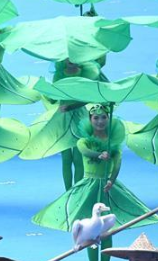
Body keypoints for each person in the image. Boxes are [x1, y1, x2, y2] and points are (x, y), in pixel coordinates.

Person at [33, 105, 158, 261]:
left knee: (107, 231)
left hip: (107, 189)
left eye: (103, 117)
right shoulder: (84, 141)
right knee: (90, 232)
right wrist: (99, 154)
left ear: (109, 119)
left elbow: (117, 162)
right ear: (90, 120)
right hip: (89, 188)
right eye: (96, 118)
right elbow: (83, 150)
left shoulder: (113, 142)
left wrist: (112, 180)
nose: (100, 121)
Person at [22, 58, 101, 191]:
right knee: (66, 158)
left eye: (74, 57)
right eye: (68, 57)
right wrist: (45, 90)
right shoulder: (59, 74)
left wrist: (71, 107)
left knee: (78, 157)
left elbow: (87, 98)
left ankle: (77, 190)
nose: (71, 60)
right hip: (63, 117)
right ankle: (68, 191)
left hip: (79, 117)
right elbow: (54, 96)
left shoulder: (84, 74)